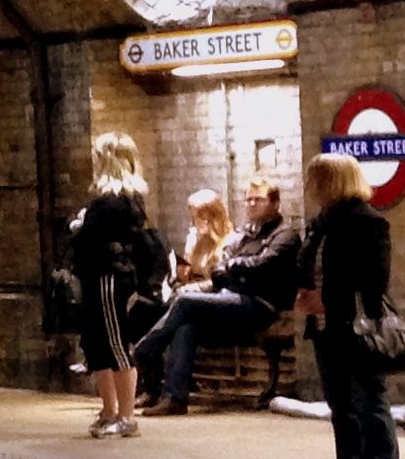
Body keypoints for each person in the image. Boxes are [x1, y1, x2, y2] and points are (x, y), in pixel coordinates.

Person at [128, 176, 301, 414]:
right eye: (248, 199)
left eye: (258, 199)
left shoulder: (285, 235)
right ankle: (175, 398)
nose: (251, 204)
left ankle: (143, 351)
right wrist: (238, 269)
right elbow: (220, 270)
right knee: (185, 326)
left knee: (186, 300)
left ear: (274, 203)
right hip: (229, 301)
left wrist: (235, 268)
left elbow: (265, 265)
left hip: (261, 307)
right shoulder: (243, 233)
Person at [295, 150, 400, 459]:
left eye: (314, 178)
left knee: (369, 400)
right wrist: (304, 291)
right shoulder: (321, 222)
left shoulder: (368, 222)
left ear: (332, 181)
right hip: (324, 325)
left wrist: (327, 299)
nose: (309, 186)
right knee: (340, 404)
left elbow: (374, 281)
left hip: (356, 325)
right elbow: (308, 265)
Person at [68, 131, 154, 437]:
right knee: (96, 345)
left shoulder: (115, 200)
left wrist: (79, 227)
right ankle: (109, 410)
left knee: (115, 345)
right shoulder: (116, 200)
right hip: (97, 274)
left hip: (108, 276)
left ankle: (126, 416)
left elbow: (91, 238)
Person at [173, 190, 233, 289]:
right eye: (193, 218)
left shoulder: (230, 242)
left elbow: (224, 281)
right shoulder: (197, 241)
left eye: (200, 217)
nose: (196, 222)